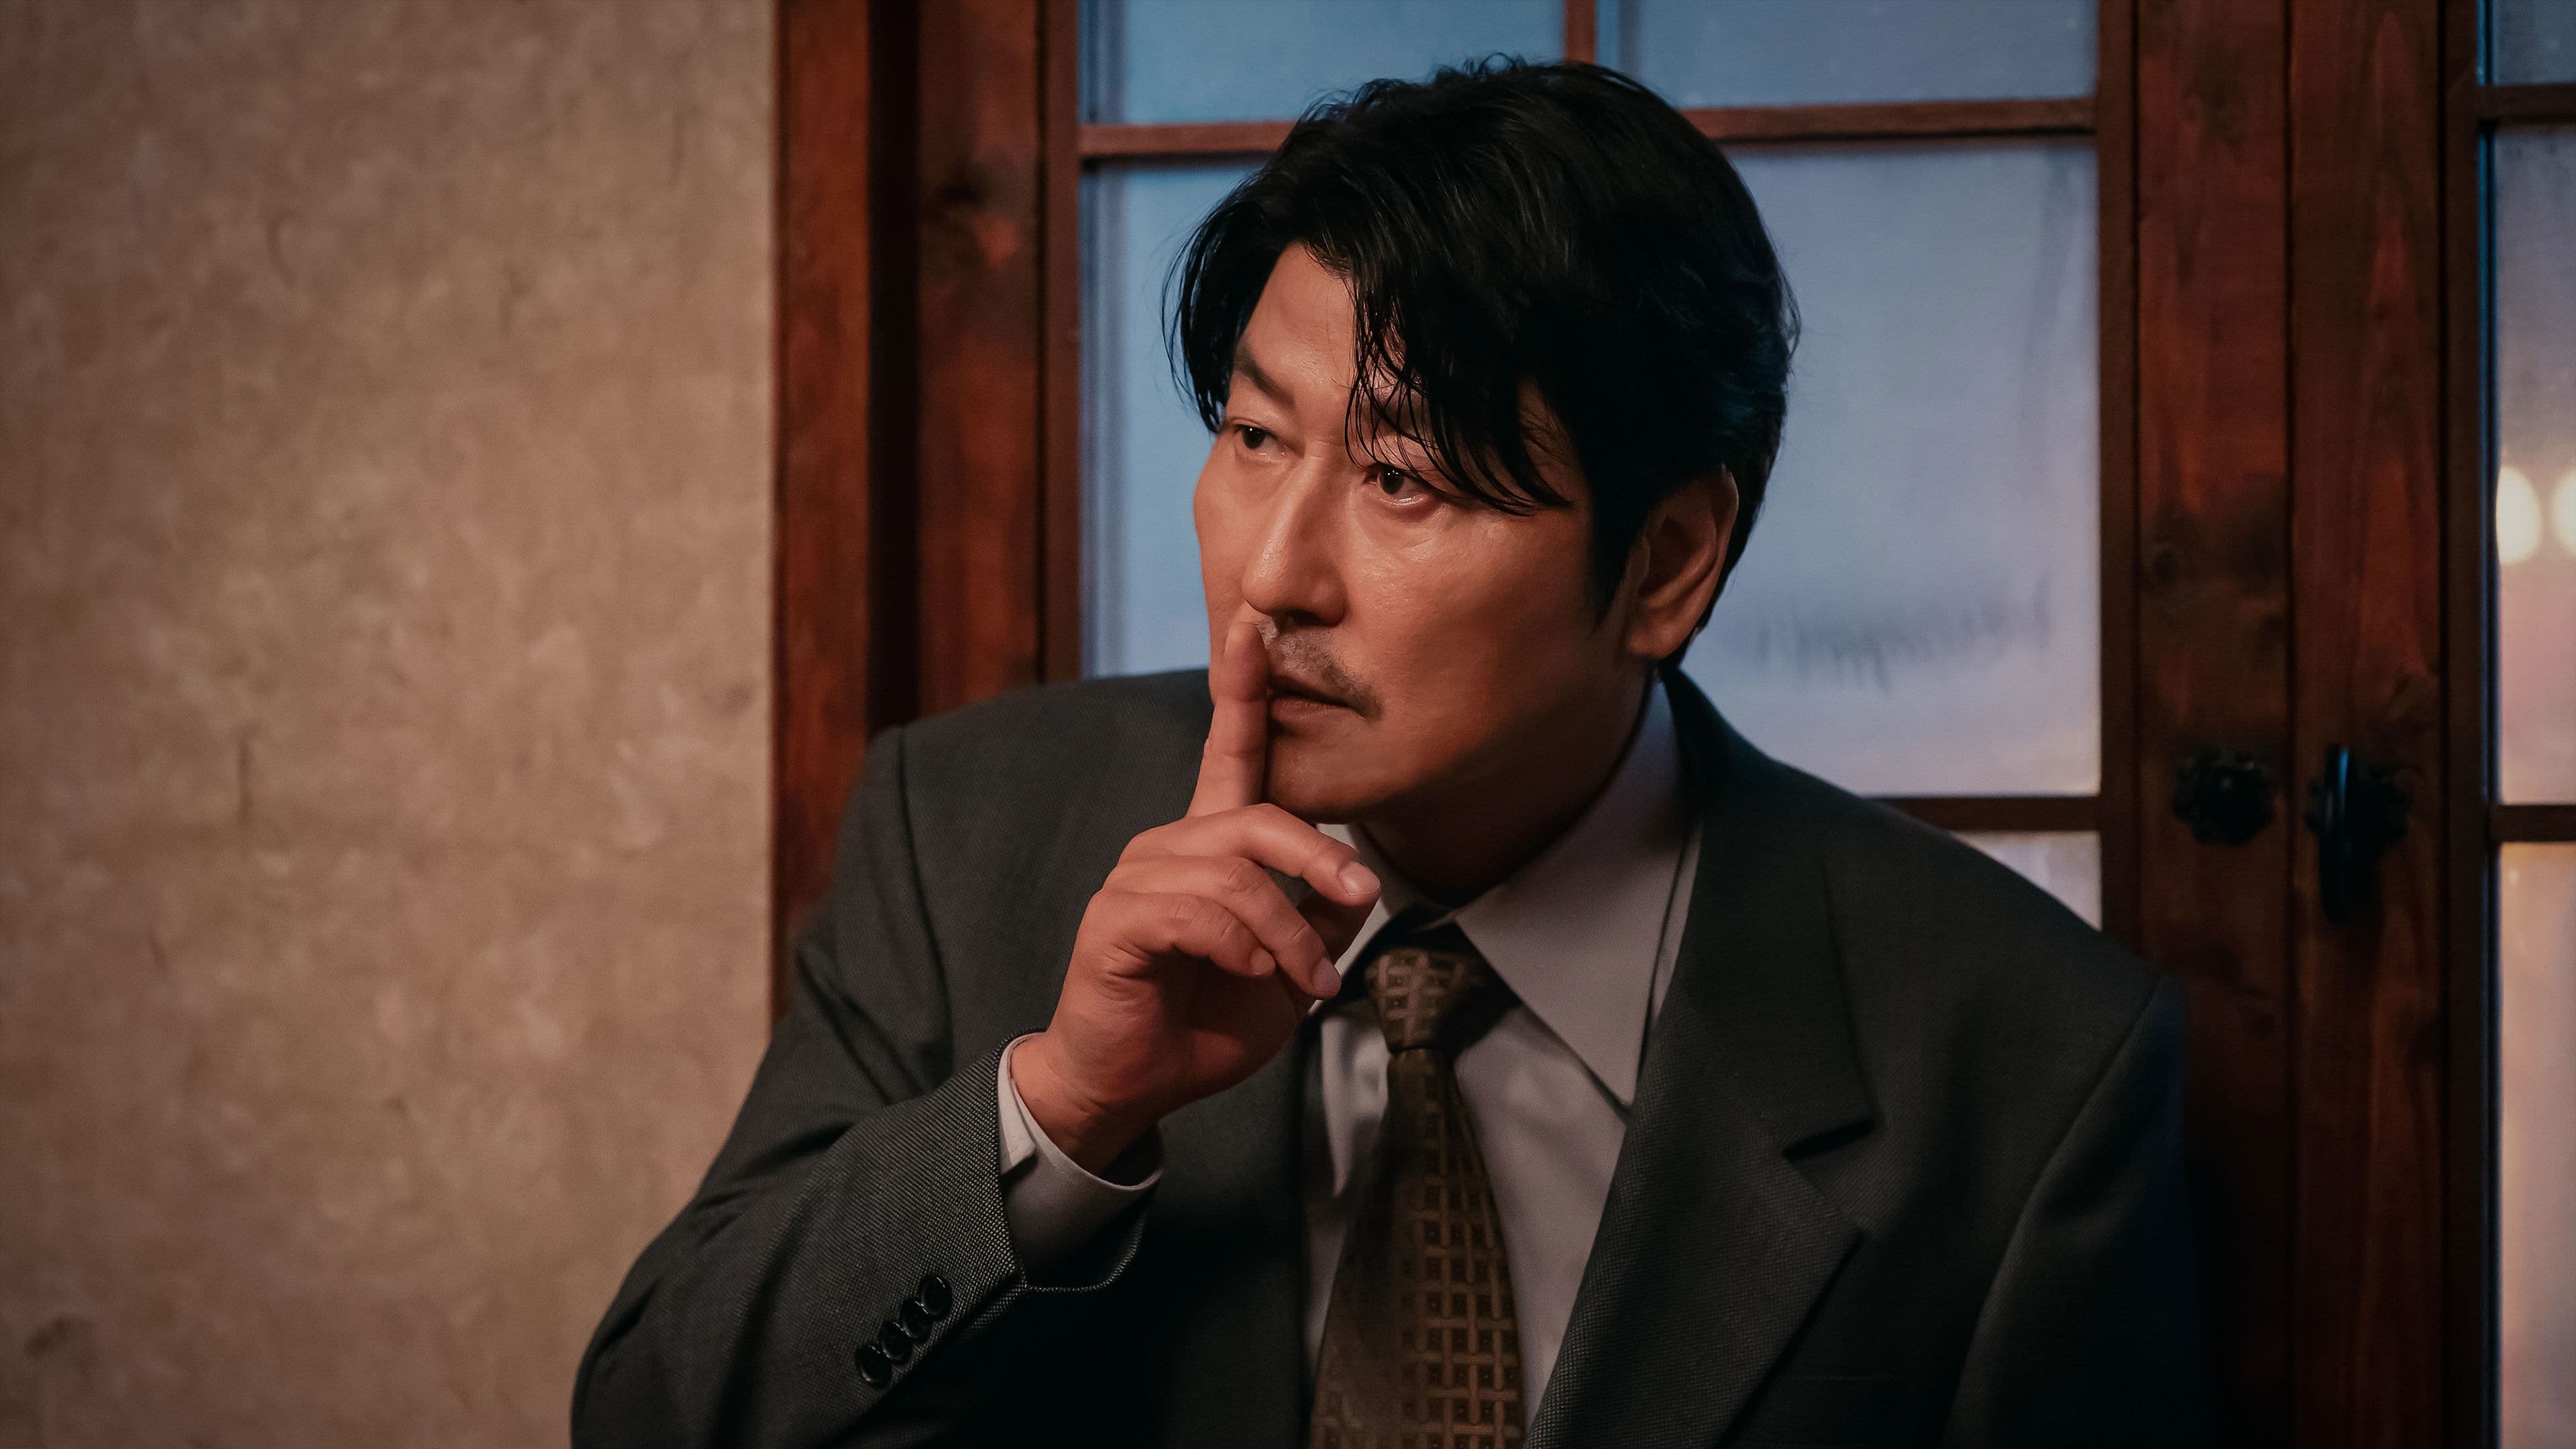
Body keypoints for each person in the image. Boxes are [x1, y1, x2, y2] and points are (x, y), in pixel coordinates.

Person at [574, 60, 2210, 1448]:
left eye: (1404, 479)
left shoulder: (2023, 1056)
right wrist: (1065, 1112)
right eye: (1253, 435)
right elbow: (650, 1413)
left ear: (1665, 563)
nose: (1274, 575)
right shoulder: (969, 834)